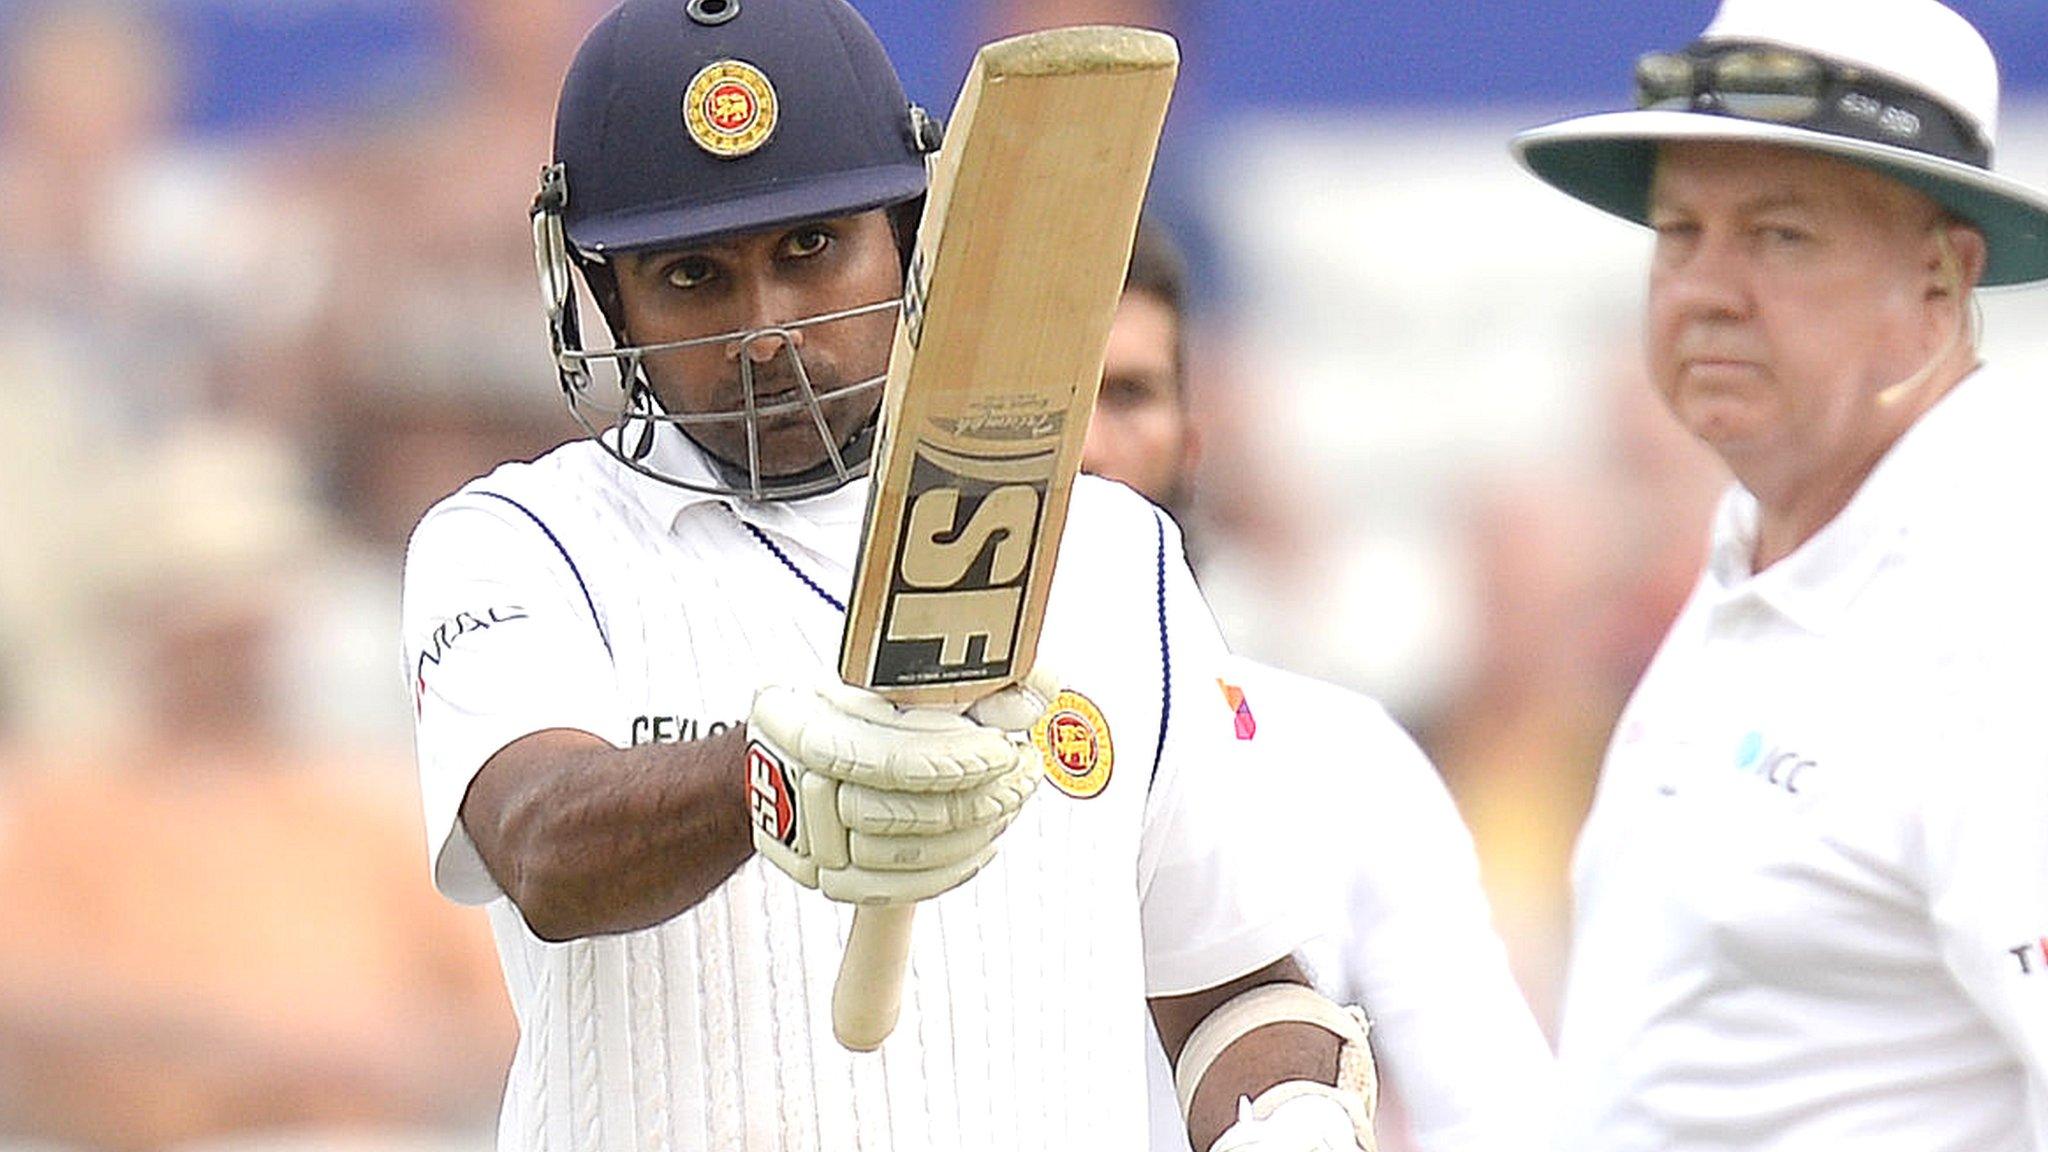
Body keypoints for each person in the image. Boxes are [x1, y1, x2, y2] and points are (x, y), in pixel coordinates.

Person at [402, 2, 1380, 1149]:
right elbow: (541, 846)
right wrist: (773, 780)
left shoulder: (1108, 550)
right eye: (692, 274)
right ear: (603, 294)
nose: (764, 330)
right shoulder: (523, 537)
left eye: (808, 249)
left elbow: (1230, 983)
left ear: (910, 236)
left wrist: (1293, 1118)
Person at [1510, 0, 2048, 1147]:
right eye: (1676, 231)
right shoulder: (1766, 546)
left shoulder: (2001, 601)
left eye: (1777, 235)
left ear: (1938, 284)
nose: (1704, 288)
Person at [1087, 224, 1557, 1152]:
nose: (1090, 451)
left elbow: (1500, 1117)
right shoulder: (864, 748)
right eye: (1048, 402)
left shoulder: (1343, 757)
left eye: (1127, 395)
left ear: (1194, 438)